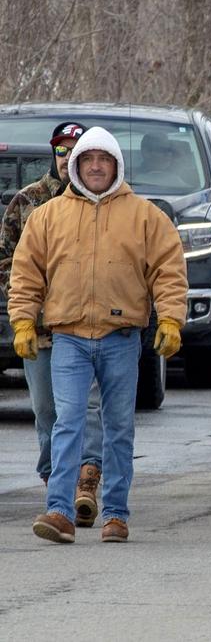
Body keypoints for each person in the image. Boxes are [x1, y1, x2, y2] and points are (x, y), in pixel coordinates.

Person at [9, 126, 187, 544]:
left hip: (121, 338)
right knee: (67, 423)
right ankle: (60, 511)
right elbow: (26, 271)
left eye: (103, 160)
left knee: (119, 428)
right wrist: (23, 320)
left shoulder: (145, 216)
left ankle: (116, 516)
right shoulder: (48, 215)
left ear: (116, 165)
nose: (94, 167)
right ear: (74, 165)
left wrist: (171, 319)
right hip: (68, 338)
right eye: (87, 159)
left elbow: (169, 269)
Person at [0, 122, 104, 516]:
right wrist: (29, 307)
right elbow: (6, 260)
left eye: (76, 150)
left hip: (86, 325)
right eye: (61, 150)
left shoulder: (102, 202)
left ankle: (85, 482)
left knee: (87, 408)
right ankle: (54, 476)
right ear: (53, 155)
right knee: (47, 409)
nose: (67, 157)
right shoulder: (28, 202)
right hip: (43, 328)